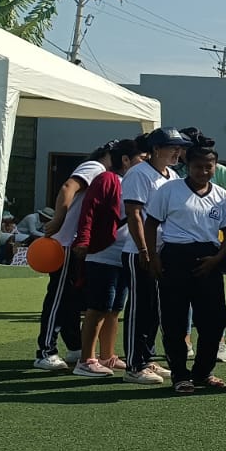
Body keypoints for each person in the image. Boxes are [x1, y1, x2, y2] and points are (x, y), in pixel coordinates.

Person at [146, 144, 226, 393]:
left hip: (209, 259)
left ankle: (203, 372)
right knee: (174, 320)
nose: (203, 171)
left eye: (209, 167)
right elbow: (151, 223)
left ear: (215, 167)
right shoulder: (169, 190)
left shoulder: (222, 196)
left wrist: (217, 258)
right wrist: (153, 256)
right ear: (188, 166)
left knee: (215, 320)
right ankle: (180, 375)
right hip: (175, 257)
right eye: (198, 166)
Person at [32, 144, 115, 372]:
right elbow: (68, 187)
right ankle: (46, 351)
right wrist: (59, 219)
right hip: (66, 242)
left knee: (71, 298)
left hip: (76, 244)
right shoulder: (95, 167)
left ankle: (74, 346)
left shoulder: (105, 173)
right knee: (58, 297)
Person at [120, 128, 192, 383]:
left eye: (179, 147)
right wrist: (144, 250)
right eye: (172, 147)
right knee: (140, 308)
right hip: (139, 252)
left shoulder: (172, 175)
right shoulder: (139, 173)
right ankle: (134, 364)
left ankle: (147, 358)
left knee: (154, 310)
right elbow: (134, 214)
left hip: (163, 251)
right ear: (156, 149)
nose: (177, 152)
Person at [70, 137, 145, 377]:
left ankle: (108, 355)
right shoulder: (107, 179)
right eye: (141, 159)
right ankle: (86, 359)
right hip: (104, 253)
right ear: (125, 160)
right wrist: (83, 239)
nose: (145, 164)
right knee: (98, 307)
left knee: (115, 308)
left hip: (125, 253)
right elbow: (89, 209)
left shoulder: (137, 182)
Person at [177, 128, 226, 363]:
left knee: (213, 303)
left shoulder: (219, 172)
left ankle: (219, 343)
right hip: (180, 246)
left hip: (213, 243)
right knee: (182, 302)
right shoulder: (174, 174)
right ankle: (186, 342)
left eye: (181, 147)